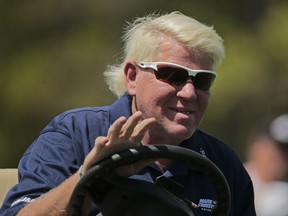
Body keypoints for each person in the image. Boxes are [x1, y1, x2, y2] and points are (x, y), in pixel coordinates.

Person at [0, 11, 256, 215]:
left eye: (202, 81)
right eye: (173, 76)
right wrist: (88, 178)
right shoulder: (74, 133)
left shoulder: (222, 162)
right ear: (132, 76)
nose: (189, 93)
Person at [244, 114, 288, 216]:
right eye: (277, 148)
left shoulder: (283, 191)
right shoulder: (230, 179)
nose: (281, 157)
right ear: (255, 147)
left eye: (285, 152)